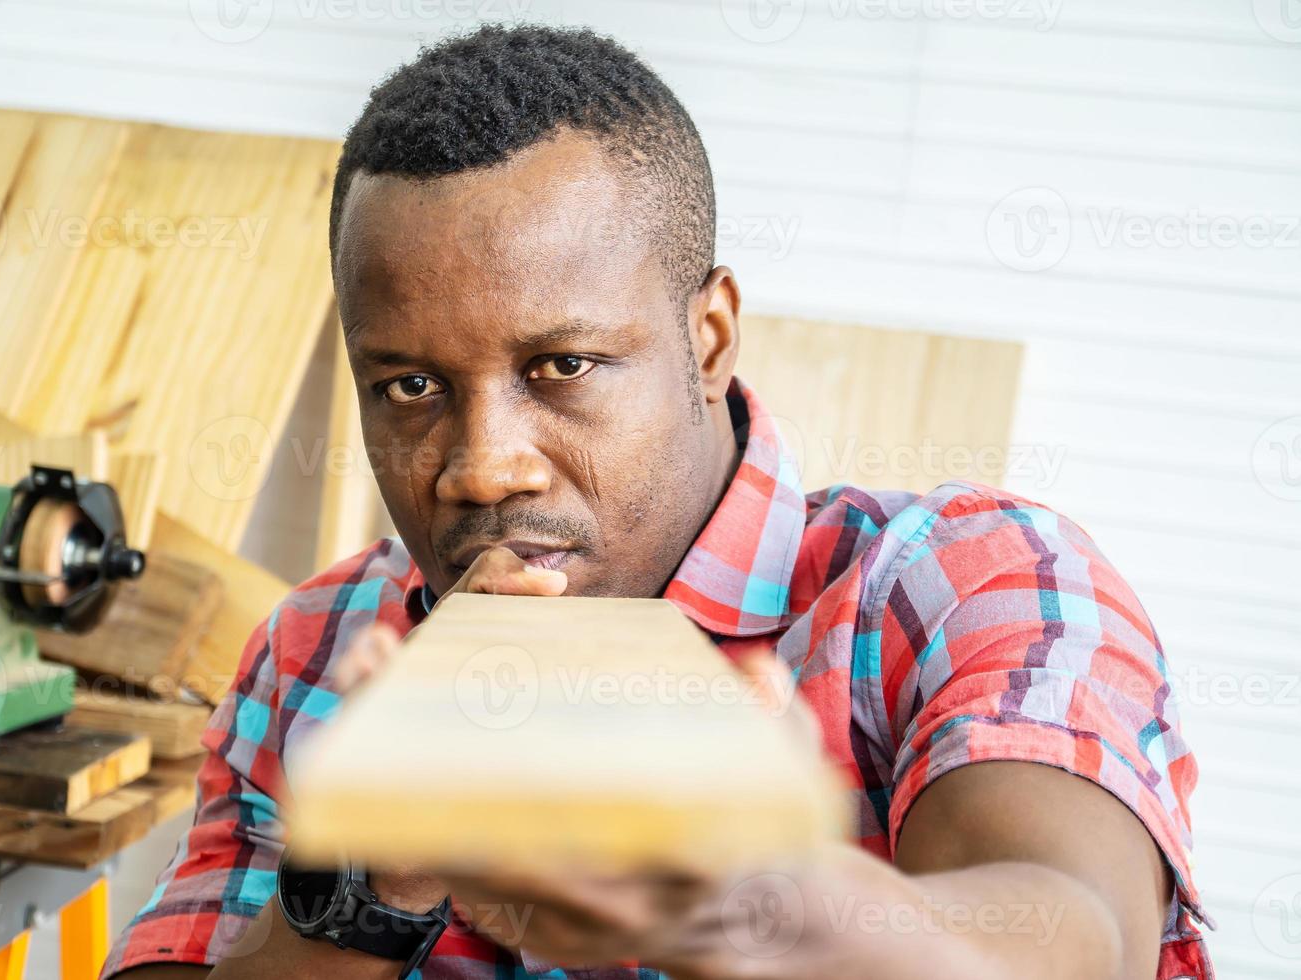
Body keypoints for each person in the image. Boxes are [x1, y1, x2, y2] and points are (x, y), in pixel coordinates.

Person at [103, 24, 1208, 980]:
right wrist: (374, 874)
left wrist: (752, 904)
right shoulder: (319, 649)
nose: (483, 467)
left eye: (563, 366)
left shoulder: (964, 583)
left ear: (709, 336)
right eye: (412, 386)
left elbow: (1077, 932)